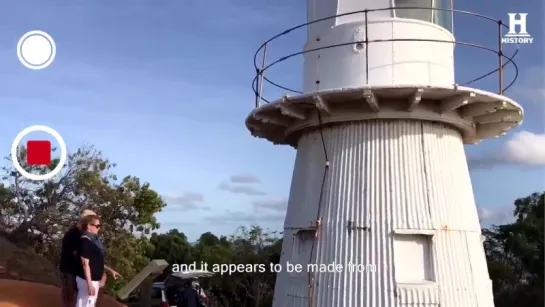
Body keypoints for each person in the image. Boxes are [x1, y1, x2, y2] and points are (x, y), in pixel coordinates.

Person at [75, 214, 121, 307]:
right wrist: (89, 285)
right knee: (84, 304)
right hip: (87, 281)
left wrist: (110, 270)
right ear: (88, 226)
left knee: (89, 304)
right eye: (97, 226)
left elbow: (96, 262)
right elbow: (85, 264)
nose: (98, 228)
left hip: (93, 280)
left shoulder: (91, 242)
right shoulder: (85, 242)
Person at [59, 209, 97, 307]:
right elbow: (79, 255)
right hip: (69, 270)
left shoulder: (82, 234)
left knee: (76, 298)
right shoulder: (73, 234)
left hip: (77, 271)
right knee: (69, 298)